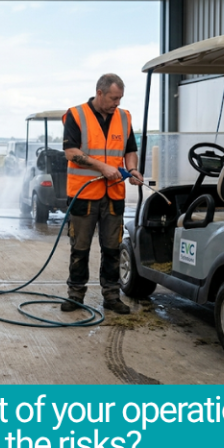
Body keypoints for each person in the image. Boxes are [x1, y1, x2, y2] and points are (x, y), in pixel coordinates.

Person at [61, 73, 143, 314]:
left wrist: (133, 169)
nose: (117, 103)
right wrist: (103, 167)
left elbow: (130, 150)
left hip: (114, 195)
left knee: (112, 249)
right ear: (99, 93)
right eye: (113, 98)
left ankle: (111, 296)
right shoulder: (76, 115)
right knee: (80, 249)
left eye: (120, 98)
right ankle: (75, 296)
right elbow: (70, 152)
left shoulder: (125, 117)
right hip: (84, 195)